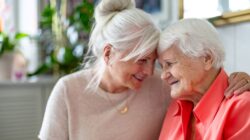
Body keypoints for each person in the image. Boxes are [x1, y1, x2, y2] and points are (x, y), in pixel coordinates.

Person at [38, 0, 250, 140]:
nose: (150, 72)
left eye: (154, 62)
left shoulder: (162, 87)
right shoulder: (68, 90)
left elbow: (209, 81)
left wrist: (242, 79)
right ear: (108, 53)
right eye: (141, 60)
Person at [158, 18, 250, 140]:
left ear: (207, 58)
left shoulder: (242, 106)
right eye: (161, 66)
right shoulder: (176, 107)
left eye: (169, 63)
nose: (163, 75)